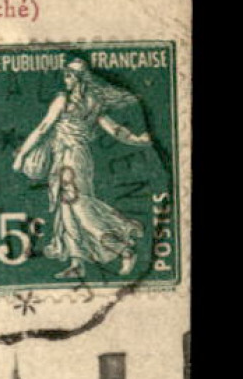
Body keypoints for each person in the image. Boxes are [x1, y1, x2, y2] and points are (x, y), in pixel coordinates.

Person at [11, 57, 154, 280]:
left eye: (69, 75)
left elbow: (42, 128)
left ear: (79, 79)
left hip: (70, 159)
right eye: (66, 74)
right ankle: (77, 263)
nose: (66, 79)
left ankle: (123, 249)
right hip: (74, 158)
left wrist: (21, 155)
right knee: (66, 211)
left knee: (79, 207)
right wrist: (137, 140)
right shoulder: (94, 102)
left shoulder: (62, 100)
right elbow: (115, 129)